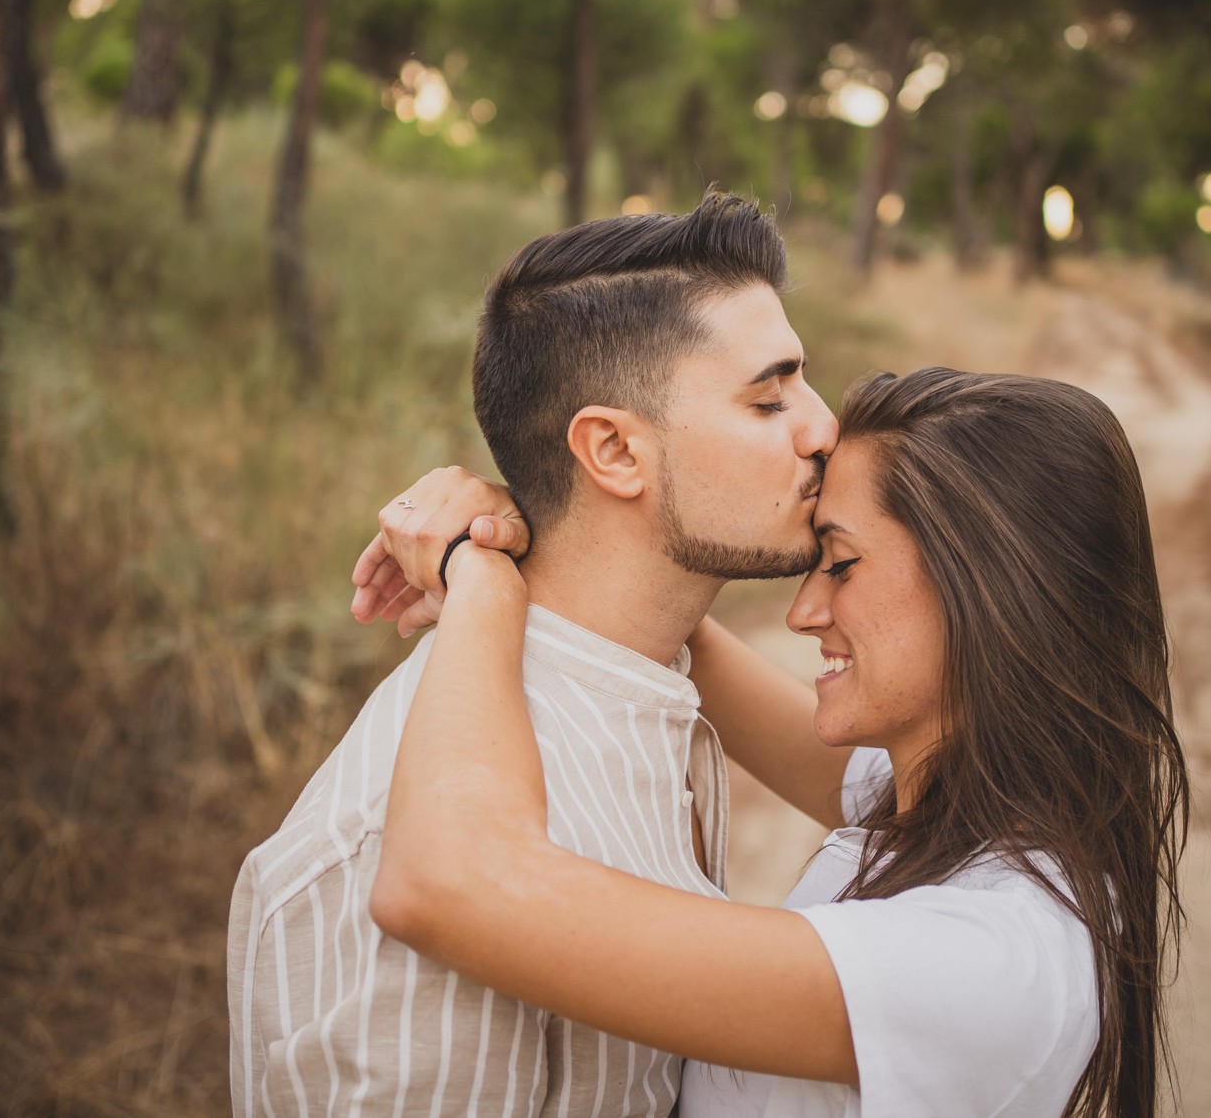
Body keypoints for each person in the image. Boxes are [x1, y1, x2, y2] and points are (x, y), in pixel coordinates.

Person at [365, 367, 1190, 1117]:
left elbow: (441, 883)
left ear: (990, 592)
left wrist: (479, 581)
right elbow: (666, 623)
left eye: (839, 564)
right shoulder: (963, 799)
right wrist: (535, 522)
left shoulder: (992, 959)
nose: (802, 612)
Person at [226, 192, 838, 1116]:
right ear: (613, 452)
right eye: (769, 396)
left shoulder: (645, 687)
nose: (823, 426)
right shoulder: (397, 830)